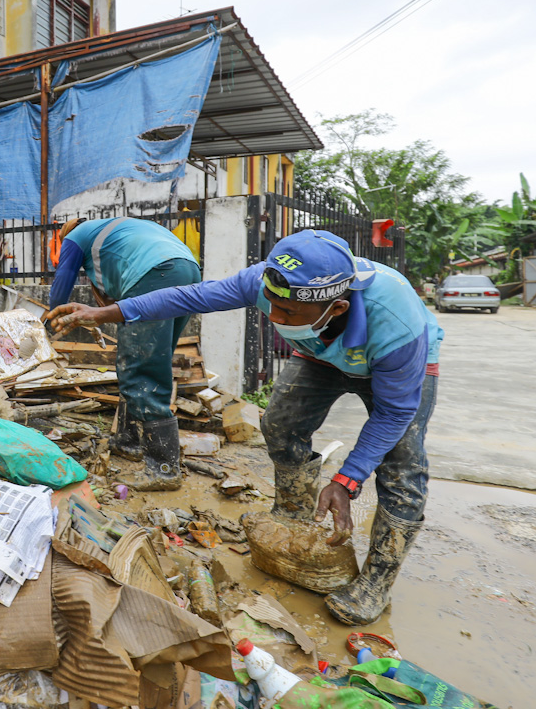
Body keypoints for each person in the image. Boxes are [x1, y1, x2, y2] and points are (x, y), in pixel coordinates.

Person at [47, 229, 443, 626]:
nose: (276, 318)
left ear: (337, 308)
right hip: (320, 356)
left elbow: (393, 413)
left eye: (288, 315)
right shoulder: (265, 281)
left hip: (391, 365)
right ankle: (293, 515)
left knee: (402, 464)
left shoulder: (395, 322)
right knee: (281, 423)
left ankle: (376, 580)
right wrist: (102, 313)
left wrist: (347, 479)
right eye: (271, 306)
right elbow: (188, 297)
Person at [42, 217, 201, 491]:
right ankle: (129, 442)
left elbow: (62, 286)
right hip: (187, 271)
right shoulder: (118, 229)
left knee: (140, 368)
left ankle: (163, 469)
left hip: (154, 274)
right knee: (148, 361)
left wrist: (48, 323)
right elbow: (111, 299)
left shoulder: (75, 236)